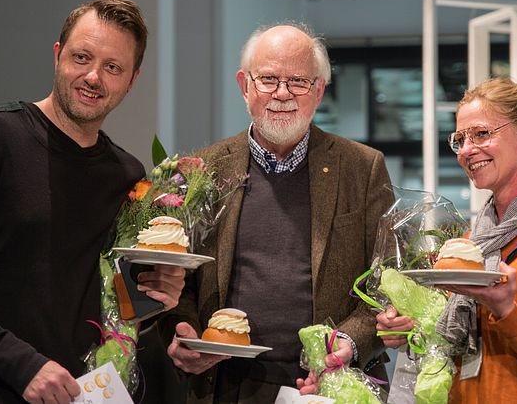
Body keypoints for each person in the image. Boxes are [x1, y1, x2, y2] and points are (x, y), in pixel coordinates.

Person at [0, 0, 185, 404]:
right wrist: (22, 364)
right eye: (81, 57)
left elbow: (110, 305)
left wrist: (155, 296)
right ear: (58, 55)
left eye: (112, 67)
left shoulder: (126, 176)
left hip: (78, 396)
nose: (93, 77)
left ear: (132, 80)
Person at [159, 23, 395, 404]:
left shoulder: (362, 167)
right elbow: (177, 277)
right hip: (224, 385)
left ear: (318, 90)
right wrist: (181, 329)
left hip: (328, 388)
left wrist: (348, 344)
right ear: (244, 86)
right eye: (268, 79)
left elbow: (386, 280)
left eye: (298, 81)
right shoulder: (204, 168)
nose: (282, 94)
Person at [377, 77, 517, 403]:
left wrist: (507, 311)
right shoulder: (477, 242)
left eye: (482, 134)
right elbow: (469, 347)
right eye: (460, 138)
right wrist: (414, 328)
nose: (468, 150)